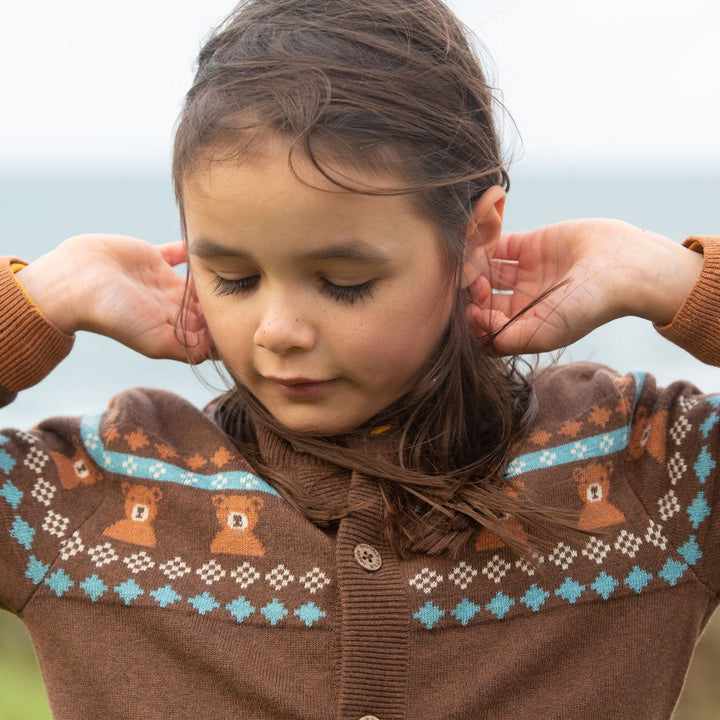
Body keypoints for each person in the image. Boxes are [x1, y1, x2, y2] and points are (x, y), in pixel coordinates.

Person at [0, 0, 717, 718]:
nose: (277, 331)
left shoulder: (645, 471)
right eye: (234, 279)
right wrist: (36, 303)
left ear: (476, 236)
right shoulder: (89, 497)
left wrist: (671, 279)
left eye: (344, 282)